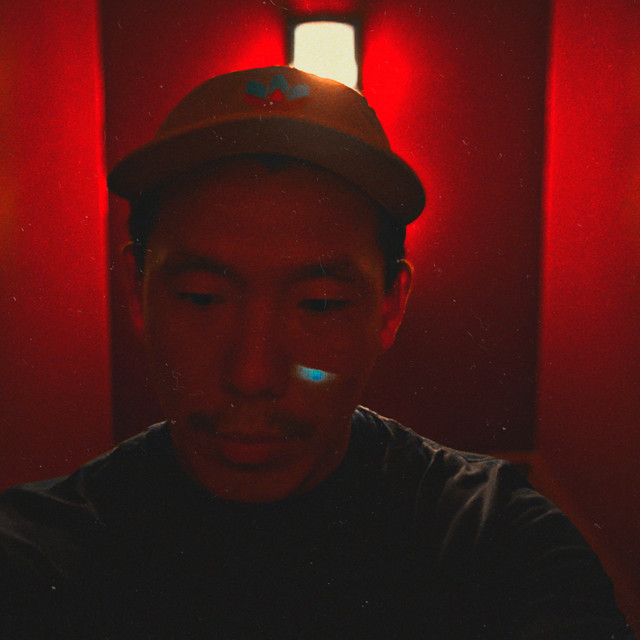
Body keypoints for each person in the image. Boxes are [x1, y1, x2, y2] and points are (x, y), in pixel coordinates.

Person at [0, 66, 634, 639]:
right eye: (201, 298)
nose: (253, 374)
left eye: (320, 305)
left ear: (390, 306)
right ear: (137, 293)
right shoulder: (38, 557)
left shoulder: (496, 543)